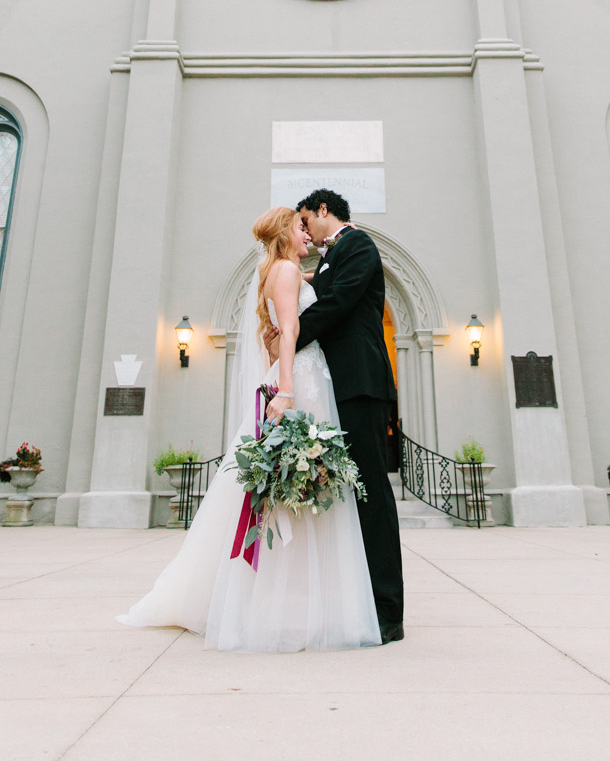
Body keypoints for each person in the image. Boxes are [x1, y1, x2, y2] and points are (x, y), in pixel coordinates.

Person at [117, 206, 381, 653]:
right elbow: (290, 332)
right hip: (300, 381)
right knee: (289, 494)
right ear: (285, 232)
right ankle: (277, 605)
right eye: (301, 228)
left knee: (301, 490)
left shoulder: (288, 271)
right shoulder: (285, 272)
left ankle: (299, 601)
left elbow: (287, 323)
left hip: (306, 376)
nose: (308, 234)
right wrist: (287, 389)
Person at [266, 189, 404, 644]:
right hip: (330, 388)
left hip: (360, 385)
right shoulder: (327, 259)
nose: (304, 229)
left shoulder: (359, 245)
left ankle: (388, 612)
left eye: (306, 219)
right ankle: (351, 600)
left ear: (324, 210)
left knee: (371, 494)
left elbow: (339, 303)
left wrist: (292, 335)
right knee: (343, 497)